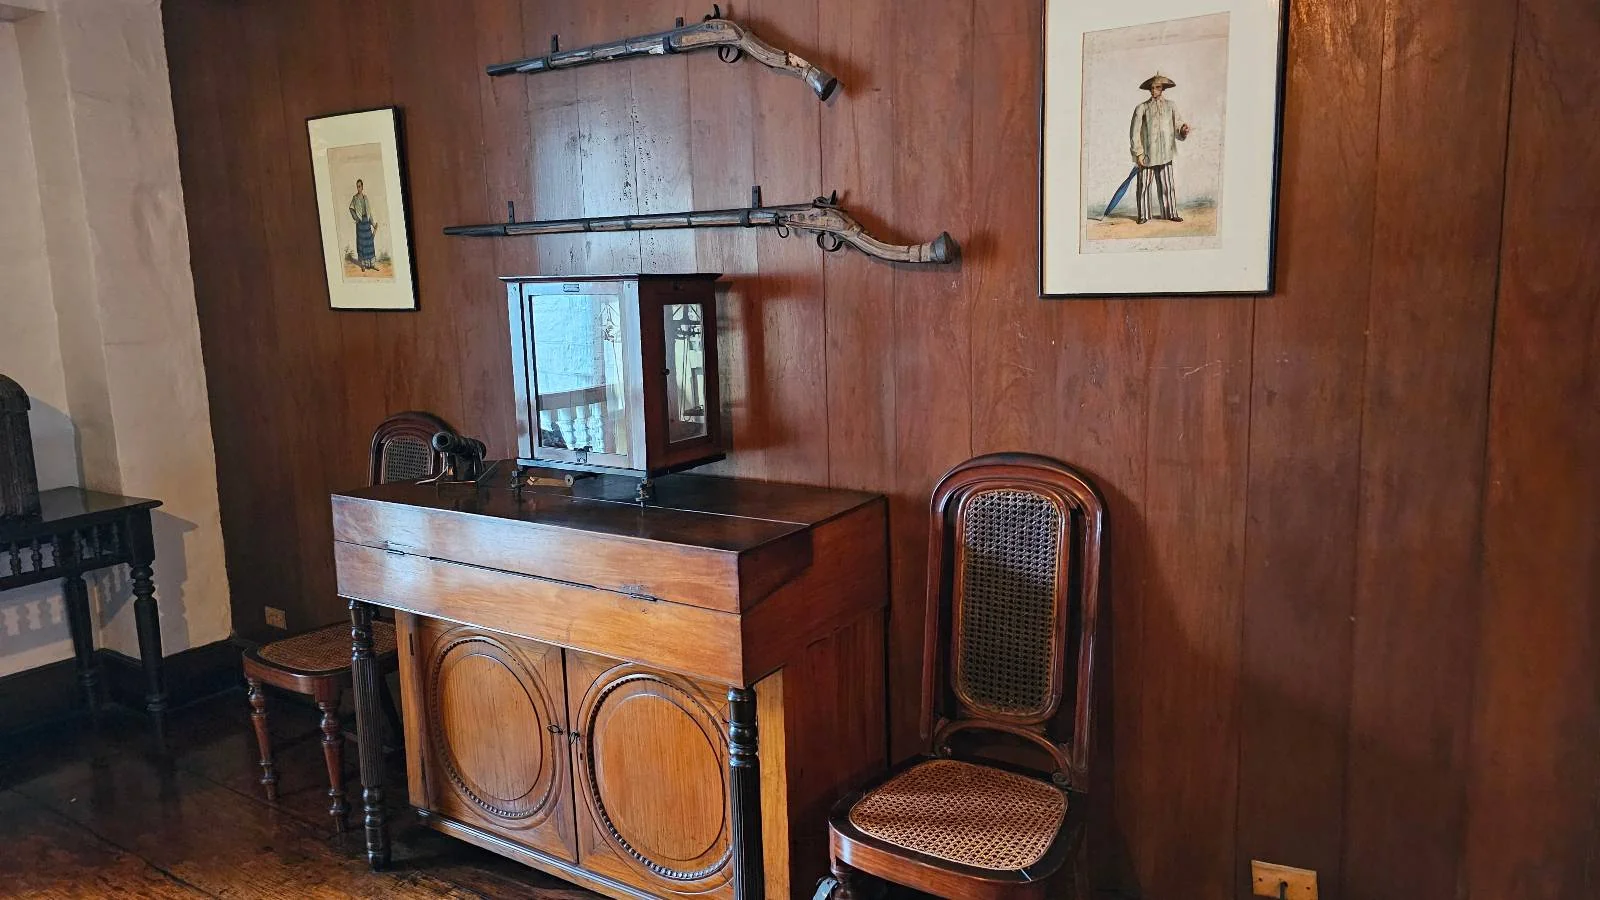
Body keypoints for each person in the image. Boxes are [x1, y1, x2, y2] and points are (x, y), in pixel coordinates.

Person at [1129, 73, 1190, 224]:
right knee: (1143, 186)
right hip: (1147, 155)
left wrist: (1183, 130)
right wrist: (1139, 153)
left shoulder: (1171, 106)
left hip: (1165, 153)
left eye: (1157, 88)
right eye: (1152, 88)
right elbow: (1134, 133)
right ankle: (1144, 215)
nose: (1153, 91)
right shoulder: (1141, 108)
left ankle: (1170, 213)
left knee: (1167, 185)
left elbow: (1178, 126)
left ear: (1162, 89)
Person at [348, 179, 378, 270]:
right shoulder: (355, 198)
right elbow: (351, 208)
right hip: (360, 224)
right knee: (362, 244)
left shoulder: (365, 198)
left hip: (367, 223)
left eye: (360, 186)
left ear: (362, 187)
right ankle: (363, 265)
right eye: (357, 186)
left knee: (369, 243)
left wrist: (373, 224)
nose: (358, 188)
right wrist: (356, 218)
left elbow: (369, 213)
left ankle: (372, 264)